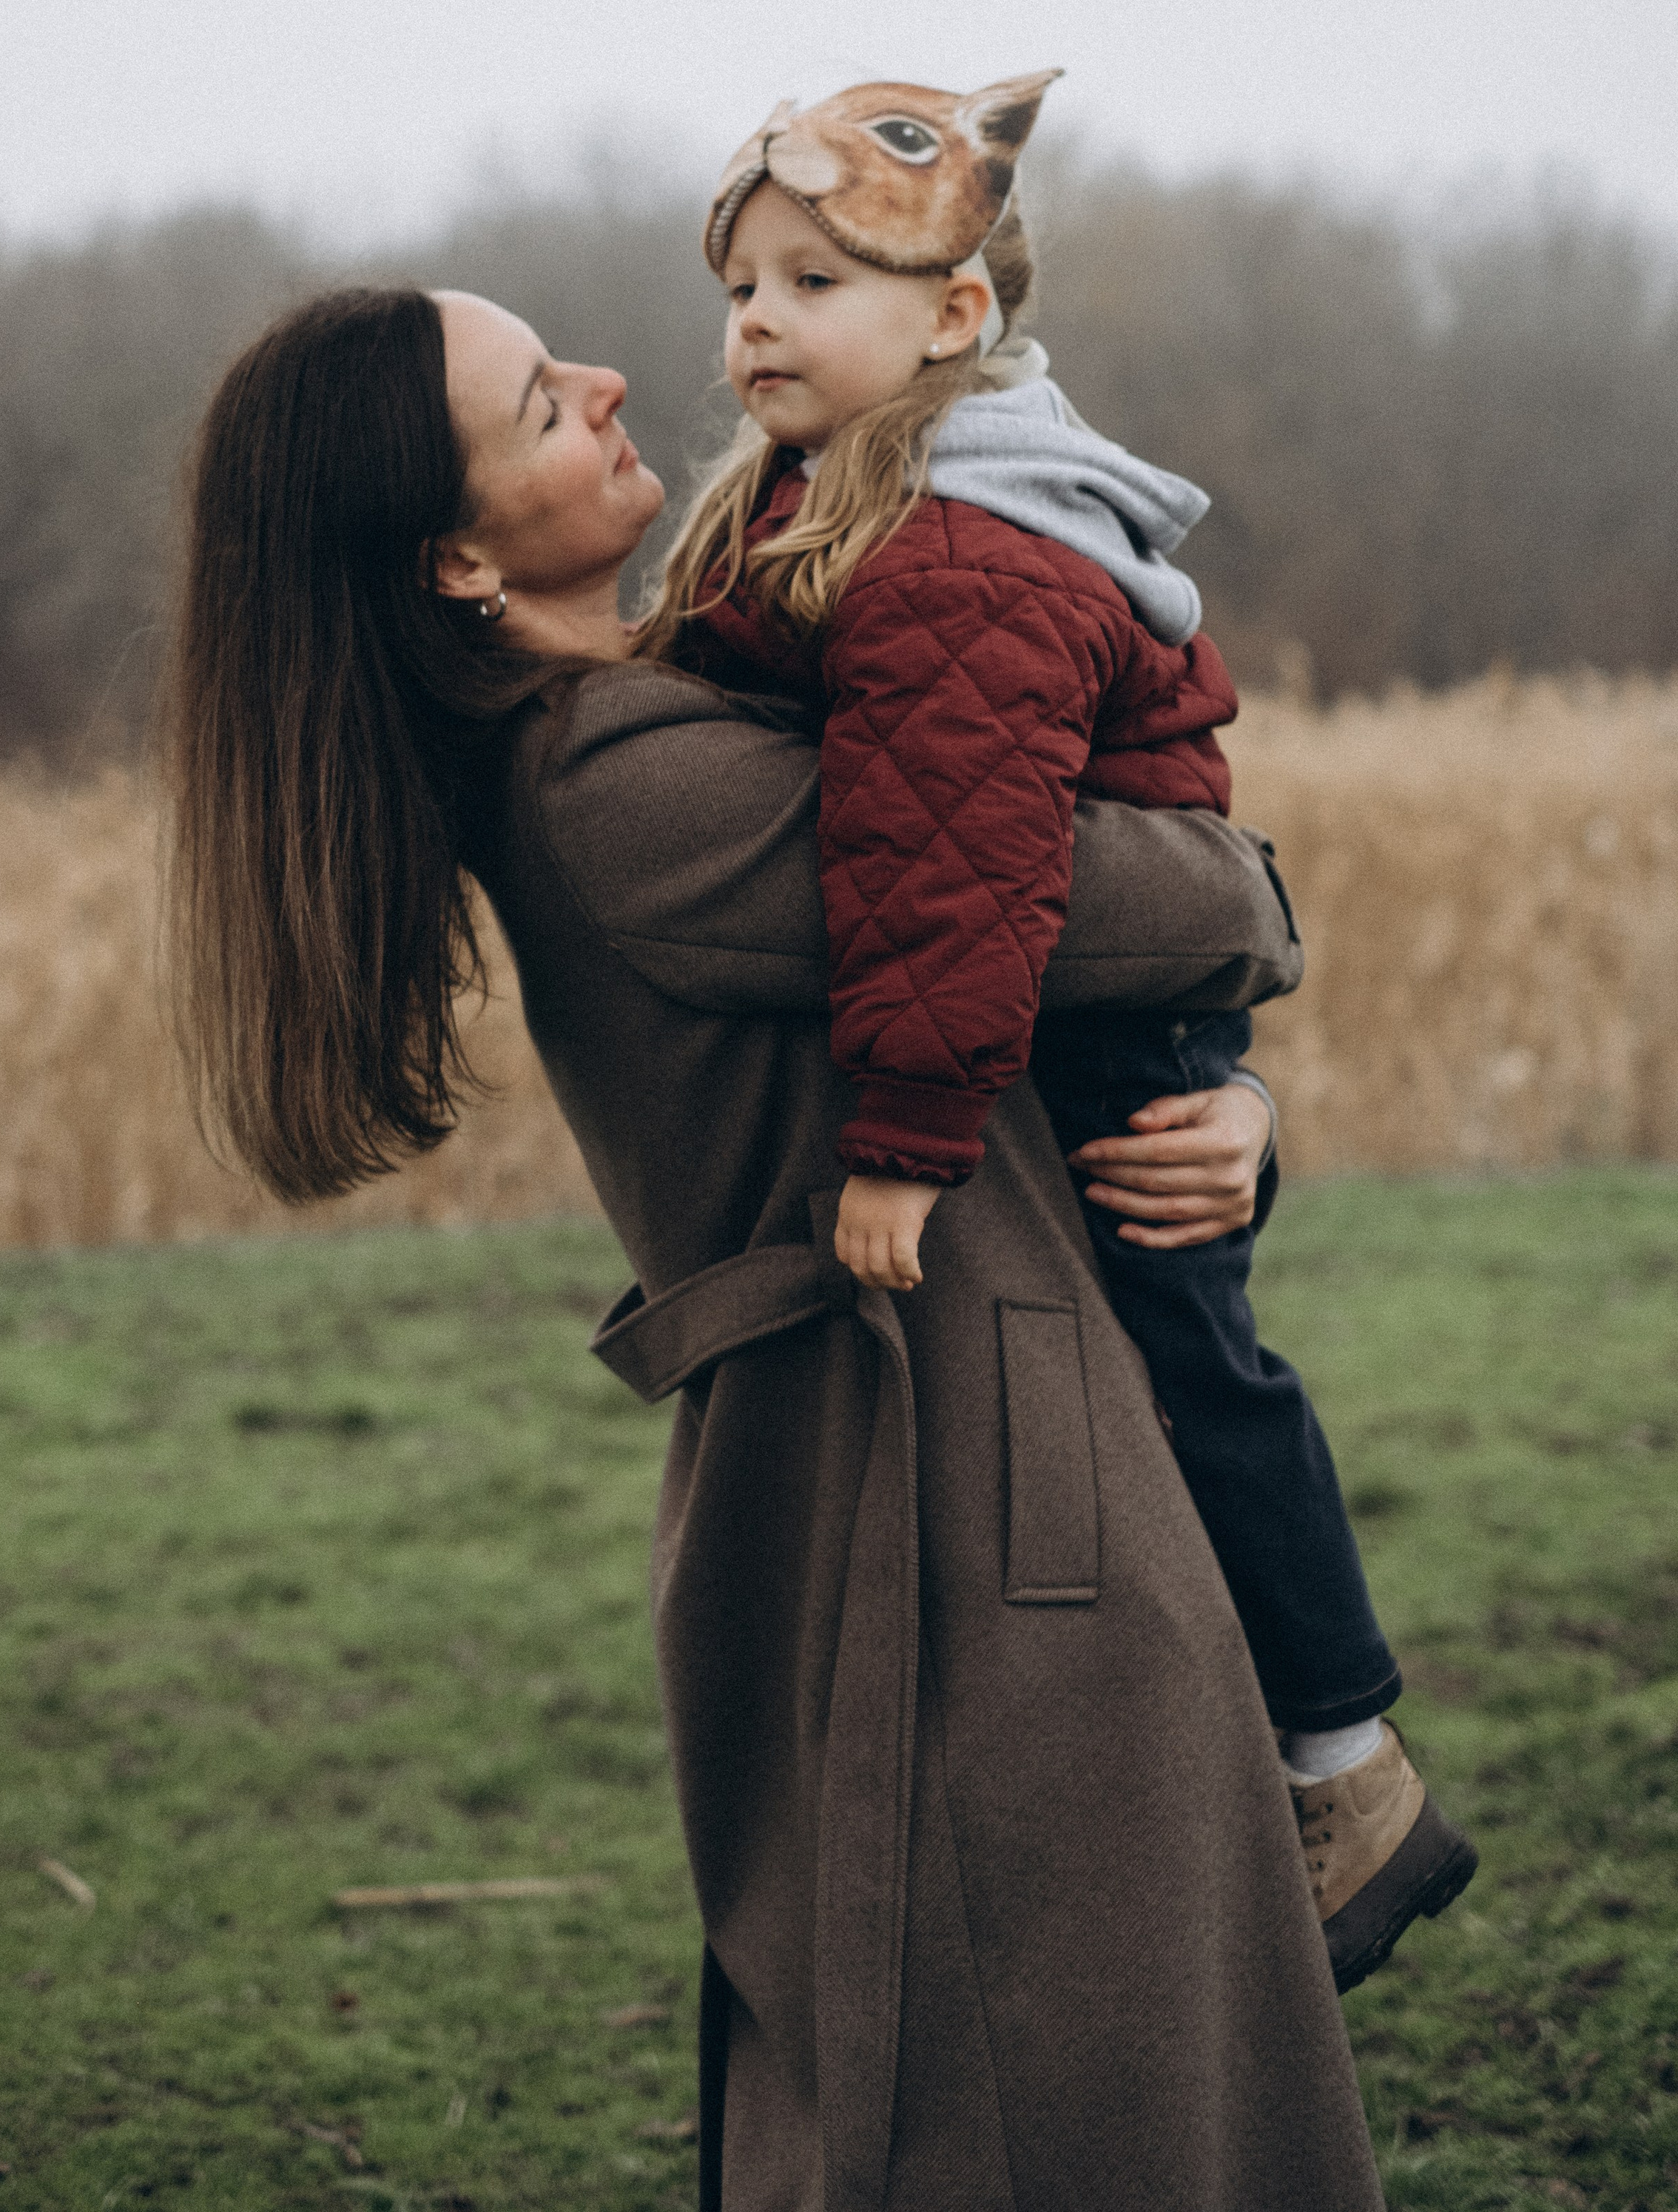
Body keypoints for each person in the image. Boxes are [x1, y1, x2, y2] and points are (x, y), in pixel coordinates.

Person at [162, 282, 1388, 2211]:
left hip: (971, 1446)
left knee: (1062, 2075)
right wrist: (1247, 897)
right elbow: (1142, 900)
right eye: (541, 401)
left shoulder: (684, 710)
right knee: (1043, 2098)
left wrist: (1226, 1120)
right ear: (458, 558)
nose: (613, 379)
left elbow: (1000, 1014)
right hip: (943, 1502)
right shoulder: (626, 788)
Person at [639, 70, 1475, 1992]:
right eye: (742, 283)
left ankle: (1349, 1772)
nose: (754, 321)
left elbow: (961, 859)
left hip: (1096, 1044)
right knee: (1163, 1389)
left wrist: (908, 1138)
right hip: (1079, 1004)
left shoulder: (962, 553)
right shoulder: (832, 495)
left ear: (950, 321)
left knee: (1190, 1375)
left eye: (812, 281)